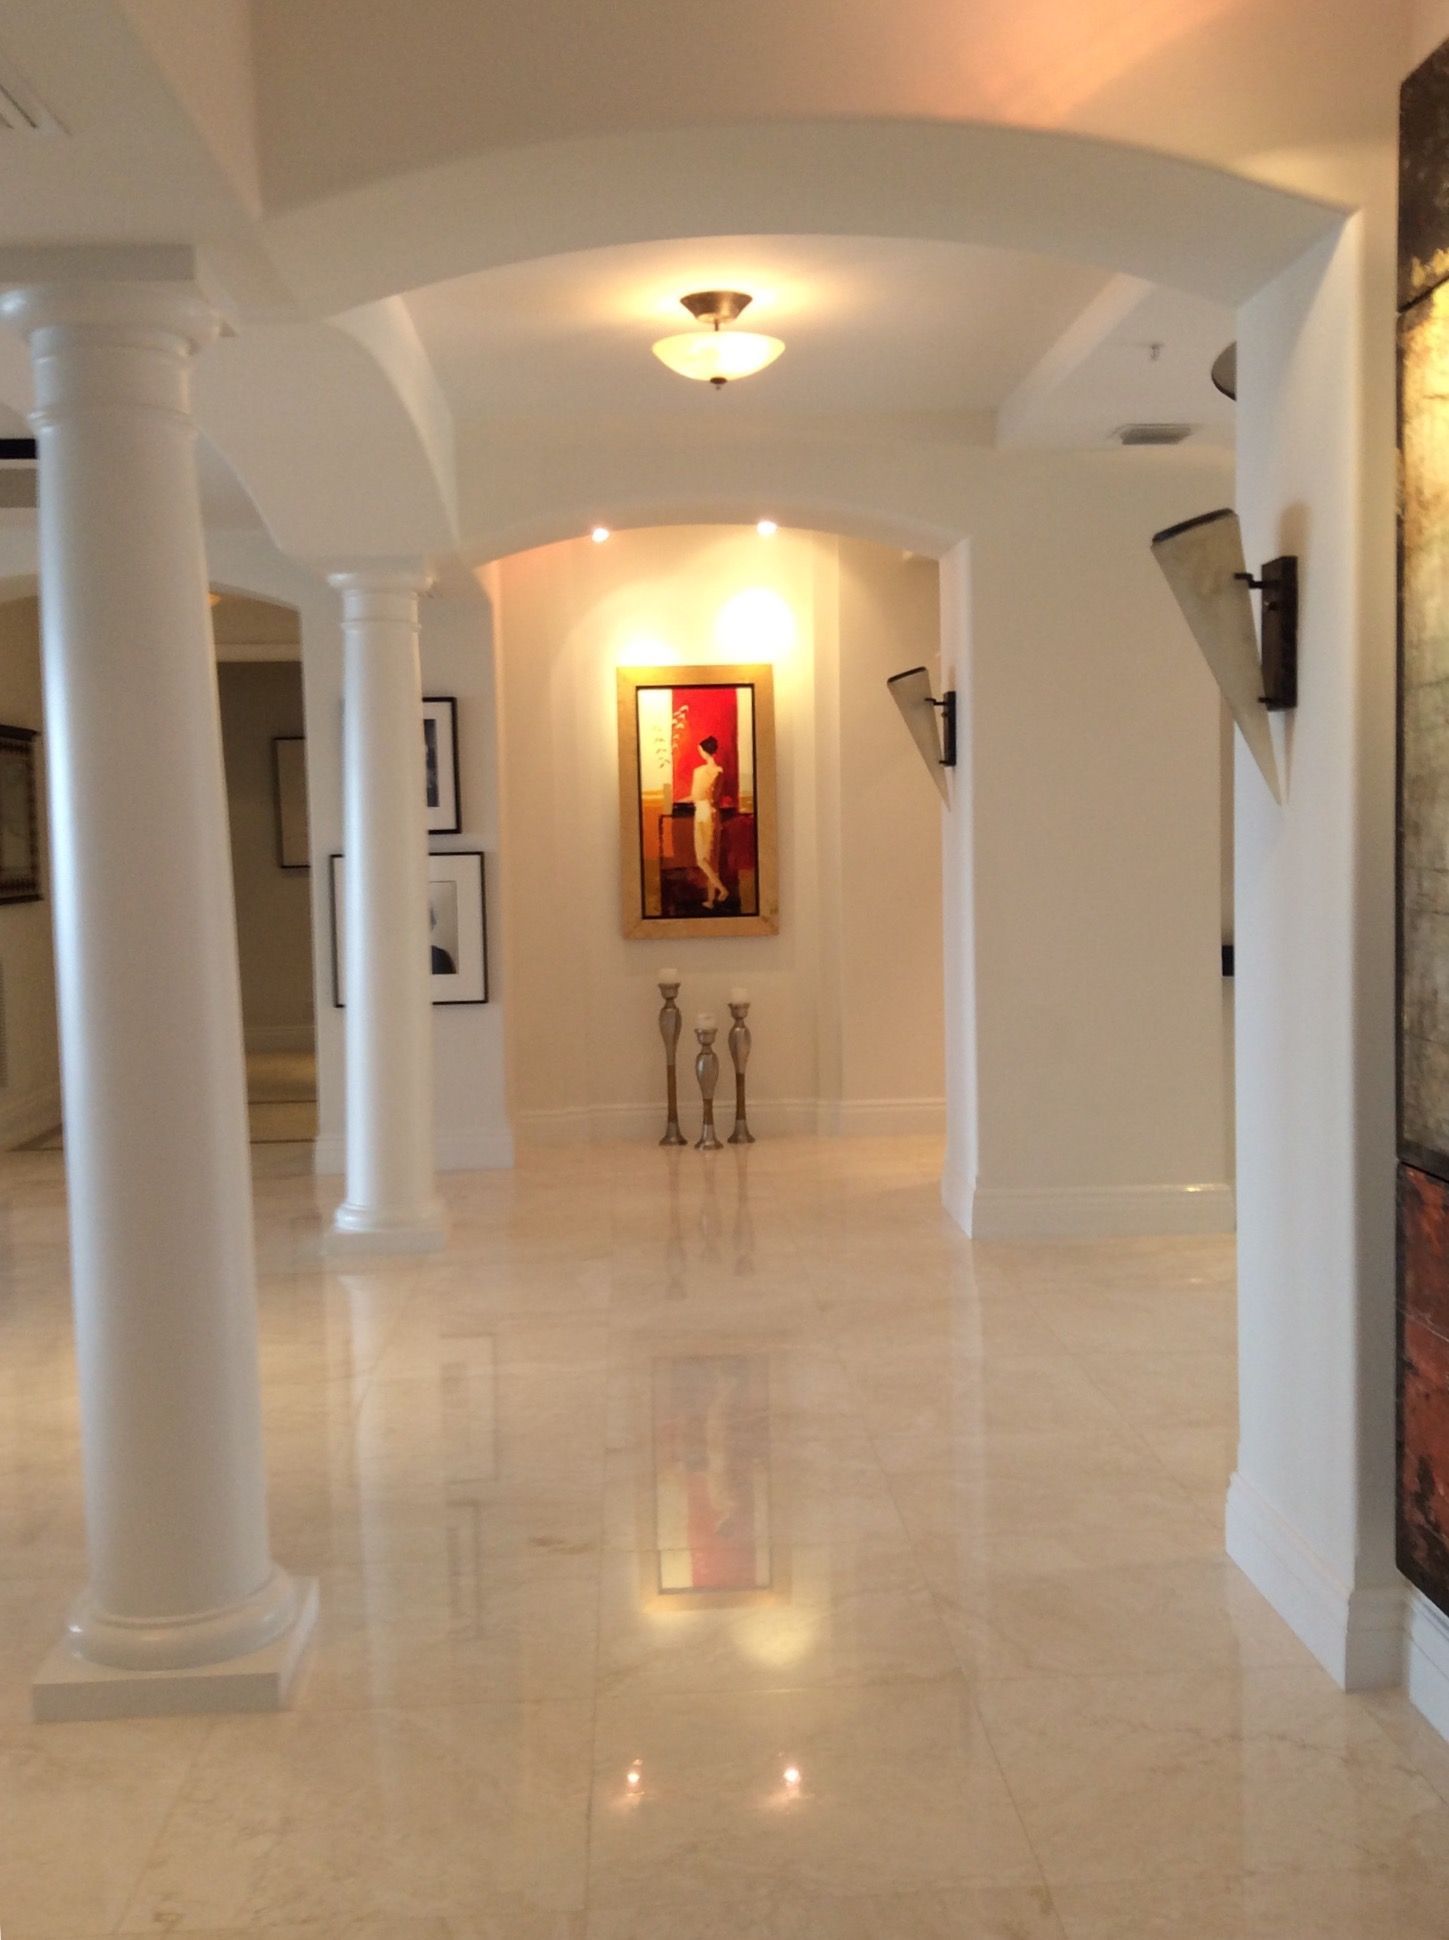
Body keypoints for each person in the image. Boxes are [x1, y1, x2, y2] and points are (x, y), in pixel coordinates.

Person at [690, 735, 729, 909]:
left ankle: (722, 890)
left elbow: (696, 796)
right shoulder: (720, 771)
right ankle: (711, 900)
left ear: (705, 751)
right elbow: (715, 797)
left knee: (701, 859)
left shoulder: (699, 771)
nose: (699, 752)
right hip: (714, 813)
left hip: (702, 812)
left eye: (700, 750)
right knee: (711, 859)